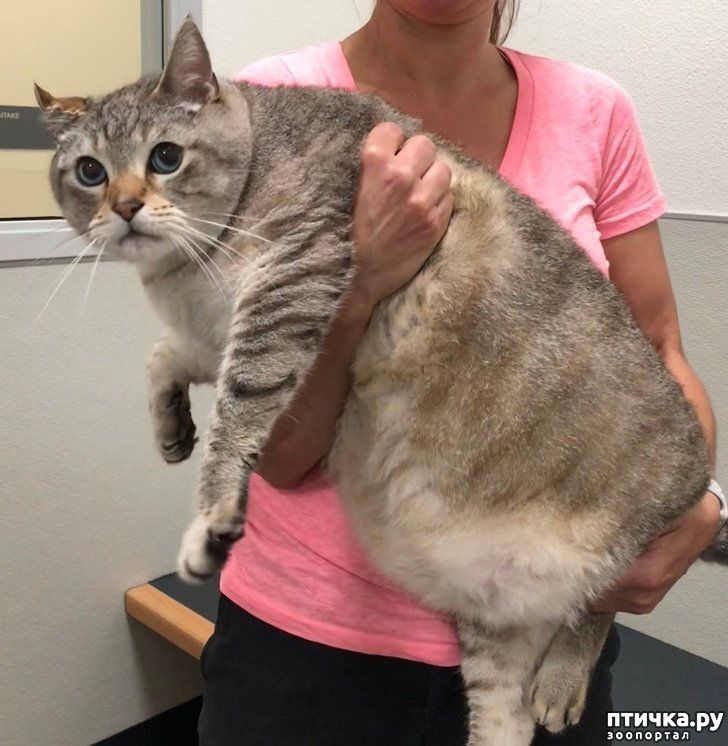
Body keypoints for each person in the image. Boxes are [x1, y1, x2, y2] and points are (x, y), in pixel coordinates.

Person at [198, 2, 721, 744]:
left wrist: (695, 506)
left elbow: (659, 350)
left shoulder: (594, 109)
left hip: (541, 630)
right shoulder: (269, 105)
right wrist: (363, 283)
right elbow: (280, 457)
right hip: (312, 653)